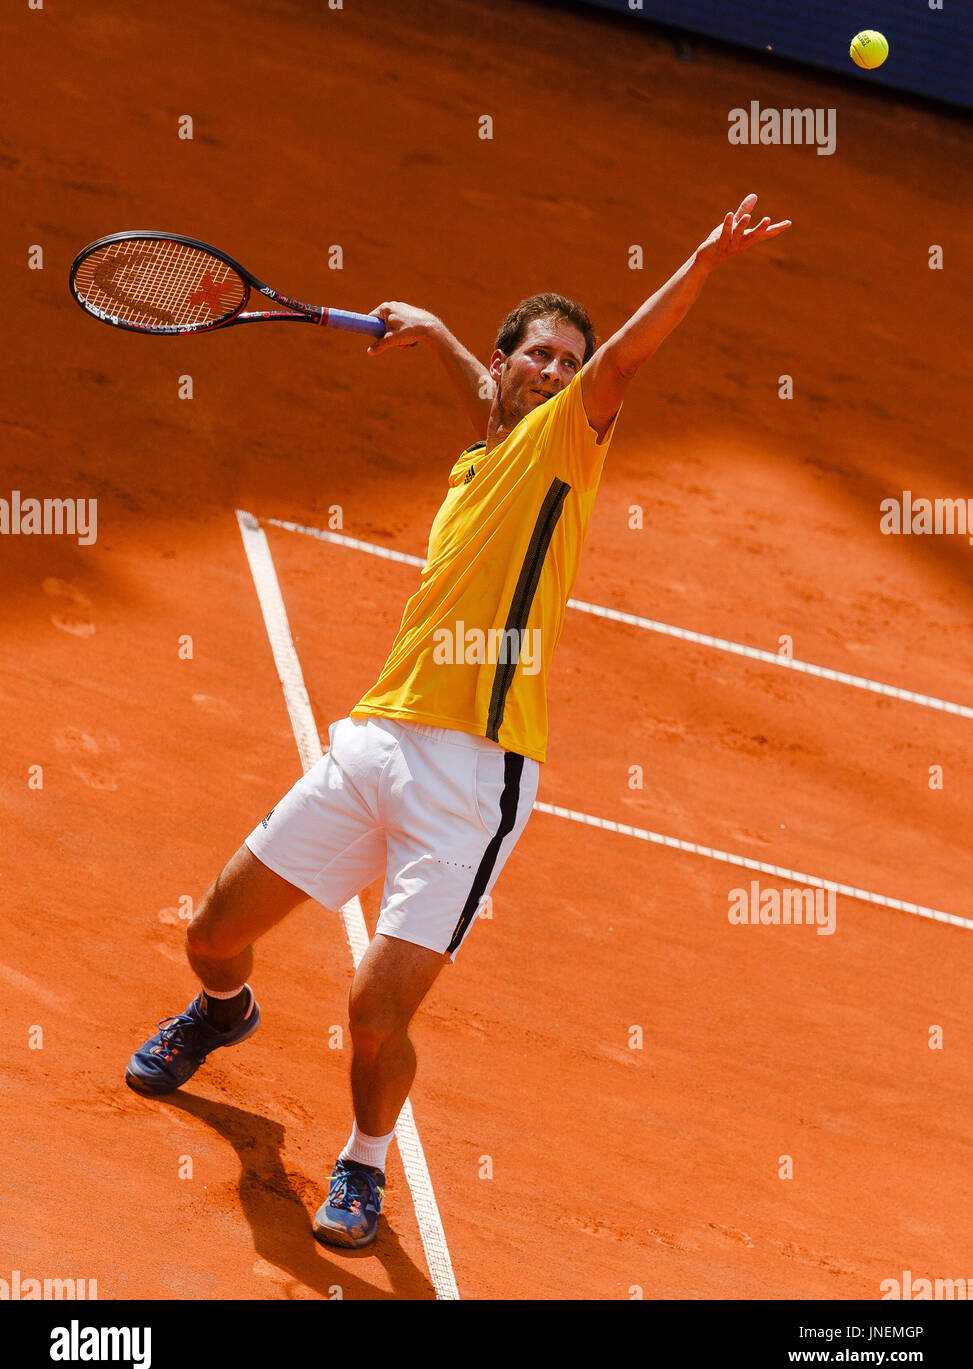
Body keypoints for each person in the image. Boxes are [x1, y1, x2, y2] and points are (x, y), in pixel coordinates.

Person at [126, 194, 790, 1249]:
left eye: (569, 360)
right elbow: (483, 400)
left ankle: (362, 1164)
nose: (560, 370)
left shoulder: (567, 445)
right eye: (541, 355)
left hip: (472, 783)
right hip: (376, 739)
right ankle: (222, 1015)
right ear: (505, 363)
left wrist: (702, 260)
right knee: (210, 934)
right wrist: (434, 329)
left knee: (373, 1010)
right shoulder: (484, 458)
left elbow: (620, 360)